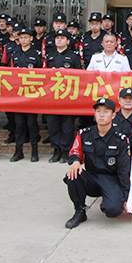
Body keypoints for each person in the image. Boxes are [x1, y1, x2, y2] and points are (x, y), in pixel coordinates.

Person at [63, 98, 131, 228]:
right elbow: (75, 152)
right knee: (73, 174)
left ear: (113, 115)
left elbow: (124, 170)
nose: (101, 115)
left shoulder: (120, 139)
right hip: (92, 177)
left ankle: (109, 199)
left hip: (110, 180)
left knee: (113, 210)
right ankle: (79, 211)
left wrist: (126, 196)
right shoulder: (84, 134)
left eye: (106, 112)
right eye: (98, 111)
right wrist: (75, 161)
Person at [45, 29, 83, 163]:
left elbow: (80, 76)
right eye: (57, 38)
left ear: (68, 41)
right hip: (52, 96)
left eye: (62, 38)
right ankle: (56, 150)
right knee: (53, 125)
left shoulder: (74, 57)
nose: (59, 40)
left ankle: (66, 151)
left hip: (68, 96)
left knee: (67, 126)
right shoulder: (50, 56)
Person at [8, 28, 44, 162]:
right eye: (21, 38)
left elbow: (42, 74)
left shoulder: (36, 54)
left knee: (31, 124)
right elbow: (10, 72)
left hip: (31, 94)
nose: (23, 40)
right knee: (19, 125)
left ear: (31, 38)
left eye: (25, 37)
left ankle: (34, 151)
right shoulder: (15, 53)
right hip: (18, 94)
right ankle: (18, 151)